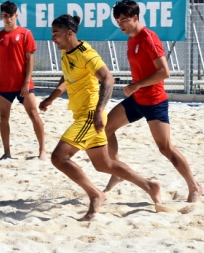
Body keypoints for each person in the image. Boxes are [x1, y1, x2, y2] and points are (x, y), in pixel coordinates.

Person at [39, 14, 161, 221]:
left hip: (89, 115)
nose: (53, 38)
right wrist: (51, 97)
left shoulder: (86, 54)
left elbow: (108, 78)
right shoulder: (66, 51)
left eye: (56, 34)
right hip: (83, 114)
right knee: (104, 164)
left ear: (70, 34)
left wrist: (98, 111)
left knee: (58, 157)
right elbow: (67, 77)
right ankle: (149, 185)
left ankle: (96, 194)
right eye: (52, 34)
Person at [104, 0, 203, 202]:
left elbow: (165, 72)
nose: (120, 24)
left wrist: (137, 85)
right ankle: (117, 171)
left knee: (165, 148)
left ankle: (194, 186)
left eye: (124, 20)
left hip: (154, 102)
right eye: (117, 20)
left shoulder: (149, 38)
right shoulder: (131, 38)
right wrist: (136, 87)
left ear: (135, 18)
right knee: (105, 127)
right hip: (136, 100)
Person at [0, 1, 46, 160]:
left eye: (11, 16)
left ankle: (42, 151)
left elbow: (30, 60)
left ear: (16, 16)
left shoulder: (25, 34)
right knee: (3, 118)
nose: (8, 19)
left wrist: (26, 82)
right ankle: (7, 152)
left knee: (34, 114)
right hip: (4, 85)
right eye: (5, 16)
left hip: (24, 83)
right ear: (1, 16)